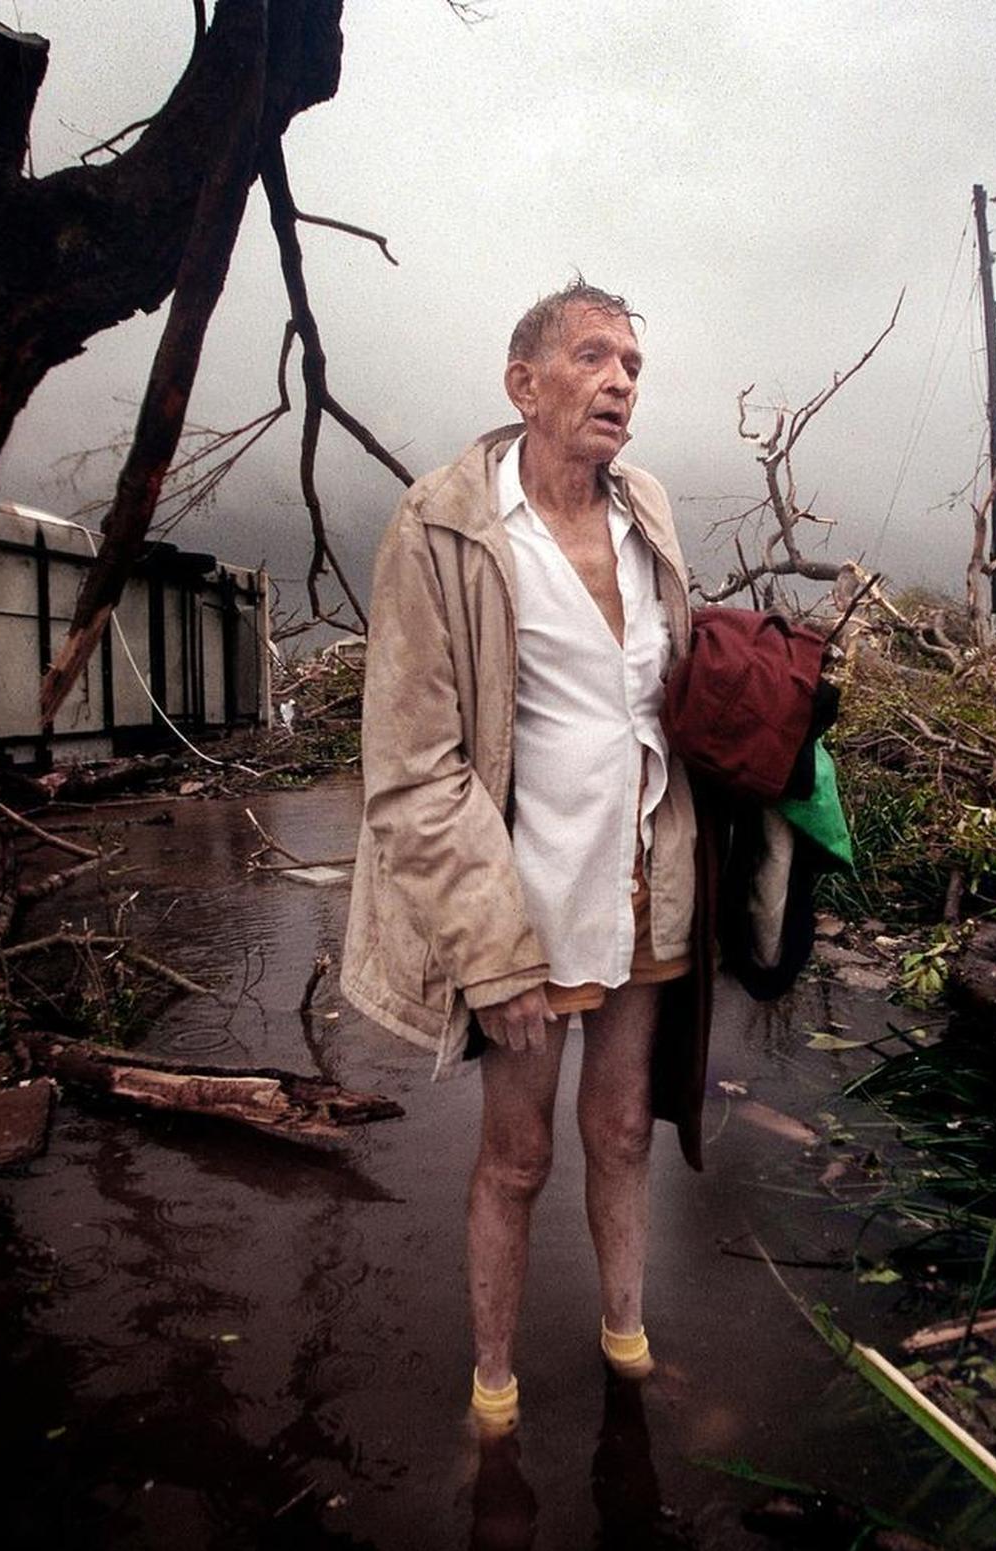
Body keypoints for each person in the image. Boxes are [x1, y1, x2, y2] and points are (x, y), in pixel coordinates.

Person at [341, 279, 697, 1429]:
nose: (621, 382)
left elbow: (658, 704)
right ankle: (493, 1392)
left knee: (623, 1127)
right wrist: (489, 954)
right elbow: (413, 768)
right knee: (517, 1152)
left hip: (641, 879)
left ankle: (628, 1342)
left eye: (634, 366)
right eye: (595, 357)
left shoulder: (646, 508)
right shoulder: (443, 524)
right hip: (524, 902)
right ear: (524, 384)